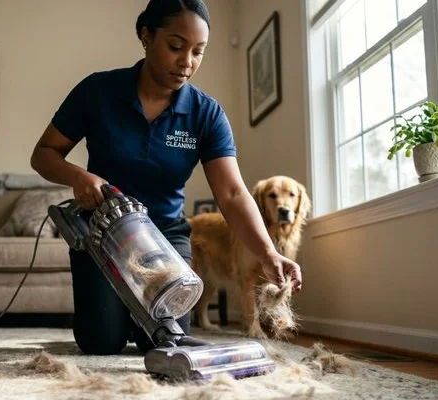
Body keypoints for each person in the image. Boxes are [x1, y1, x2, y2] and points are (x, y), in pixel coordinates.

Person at [30, 0, 302, 356]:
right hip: (103, 232)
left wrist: (268, 254)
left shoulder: (206, 114)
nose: (186, 62)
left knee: (163, 340)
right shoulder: (97, 92)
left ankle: (133, 312)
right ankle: (114, 311)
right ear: (146, 36)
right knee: (101, 343)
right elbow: (44, 154)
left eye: (198, 52)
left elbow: (233, 194)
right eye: (176, 46)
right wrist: (78, 176)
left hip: (165, 237)